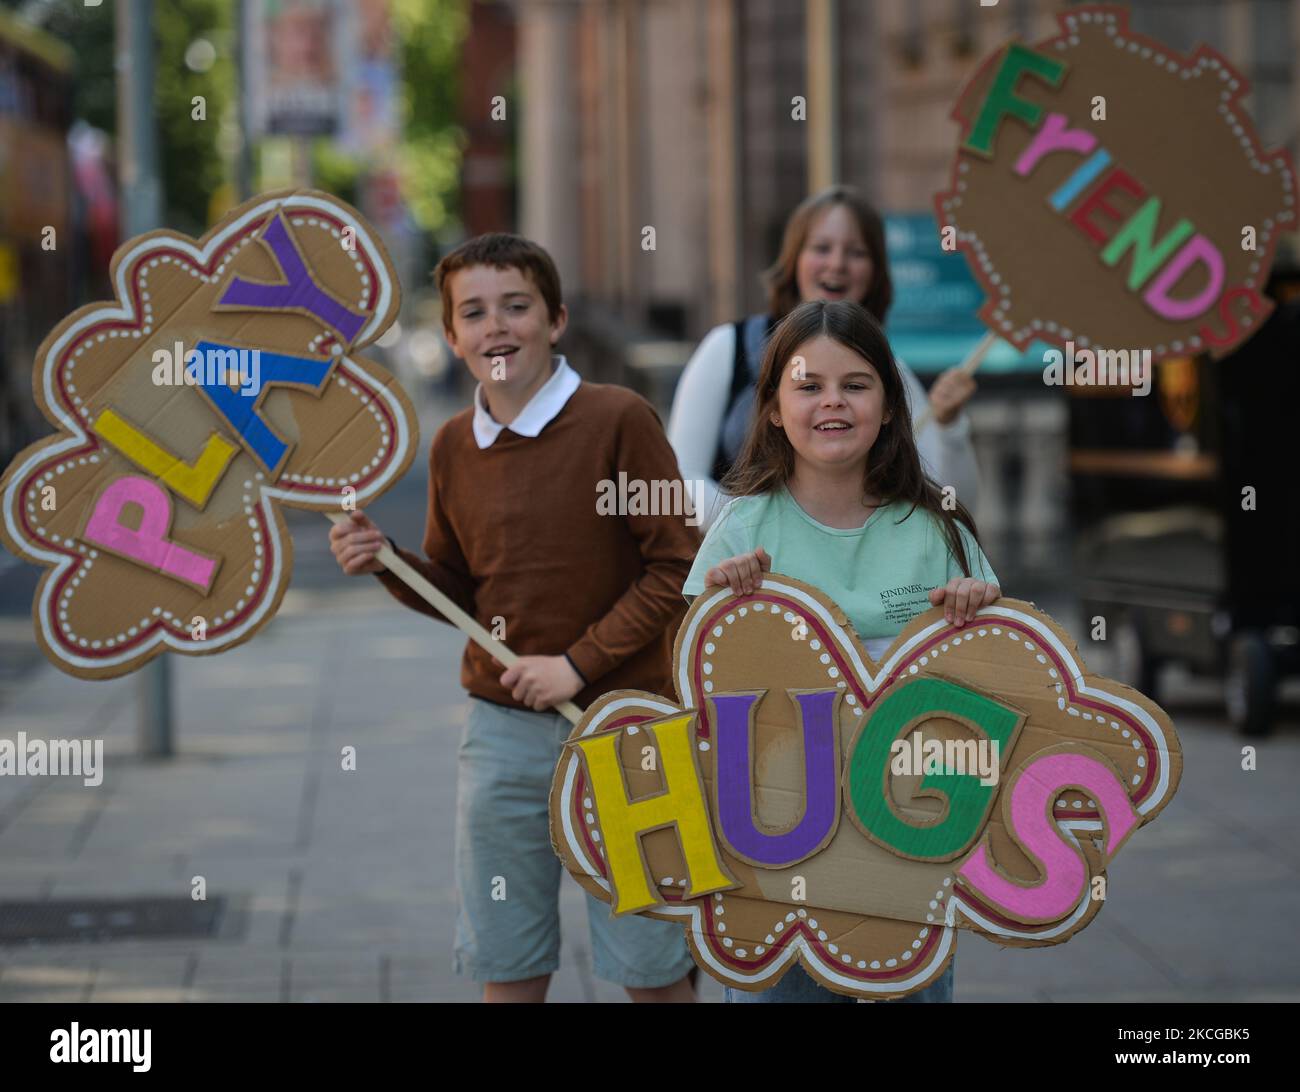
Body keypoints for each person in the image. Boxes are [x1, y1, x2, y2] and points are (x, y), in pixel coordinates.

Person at [330, 233, 700, 1003]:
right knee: (508, 960)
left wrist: (578, 663)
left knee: (654, 966)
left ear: (556, 319)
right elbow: (459, 590)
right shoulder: (454, 447)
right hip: (501, 733)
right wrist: (386, 560)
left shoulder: (620, 419)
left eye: (516, 306)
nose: (495, 326)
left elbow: (678, 567)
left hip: (629, 724)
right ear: (455, 337)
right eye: (474, 312)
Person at [682, 298, 1001, 1004]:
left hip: (909, 857)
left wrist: (978, 619)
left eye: (855, 385)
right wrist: (727, 611)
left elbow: (996, 685)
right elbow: (698, 697)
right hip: (772, 860)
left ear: (889, 405)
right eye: (808, 385)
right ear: (770, 408)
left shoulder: (936, 530)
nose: (833, 402)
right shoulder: (740, 531)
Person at [669, 185, 979, 530]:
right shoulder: (729, 347)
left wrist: (949, 427)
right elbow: (677, 478)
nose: (837, 264)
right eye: (821, 248)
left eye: (857, 252)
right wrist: (752, 524)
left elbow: (949, 503)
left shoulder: (892, 370)